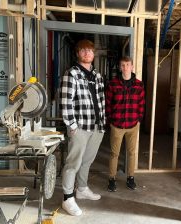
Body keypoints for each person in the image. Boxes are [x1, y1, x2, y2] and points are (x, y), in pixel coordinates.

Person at [60, 39, 105, 216]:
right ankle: (67, 197)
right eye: (84, 50)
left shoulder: (97, 76)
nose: (87, 53)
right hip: (80, 127)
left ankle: (82, 189)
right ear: (78, 53)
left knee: (87, 161)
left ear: (94, 54)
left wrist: (102, 123)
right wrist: (72, 126)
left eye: (90, 50)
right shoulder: (71, 74)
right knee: (73, 163)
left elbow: (100, 101)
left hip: (96, 126)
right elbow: (66, 102)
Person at [106, 56, 145, 192]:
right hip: (117, 125)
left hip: (133, 125)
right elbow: (108, 103)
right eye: (123, 65)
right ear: (120, 67)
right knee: (114, 153)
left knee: (132, 153)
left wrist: (139, 118)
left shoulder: (139, 85)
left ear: (132, 67)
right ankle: (112, 179)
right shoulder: (113, 84)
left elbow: (141, 103)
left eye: (128, 65)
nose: (125, 67)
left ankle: (131, 178)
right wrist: (110, 119)